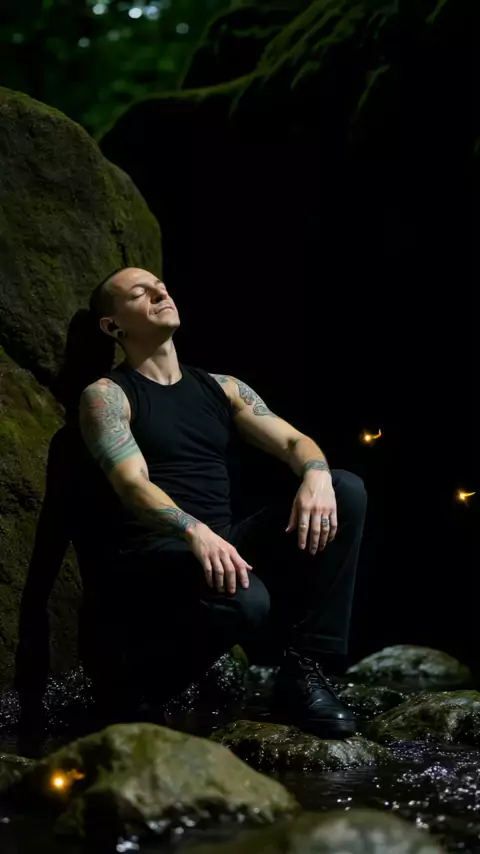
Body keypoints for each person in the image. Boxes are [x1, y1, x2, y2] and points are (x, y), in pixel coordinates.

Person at [76, 266, 367, 739]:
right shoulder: (107, 396)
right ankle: (139, 689)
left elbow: (294, 442)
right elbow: (131, 483)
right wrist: (193, 530)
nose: (160, 294)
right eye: (141, 293)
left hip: (221, 541)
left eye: (161, 287)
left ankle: (302, 672)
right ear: (113, 326)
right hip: (159, 551)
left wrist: (315, 475)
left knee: (346, 489)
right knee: (248, 602)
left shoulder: (223, 387)